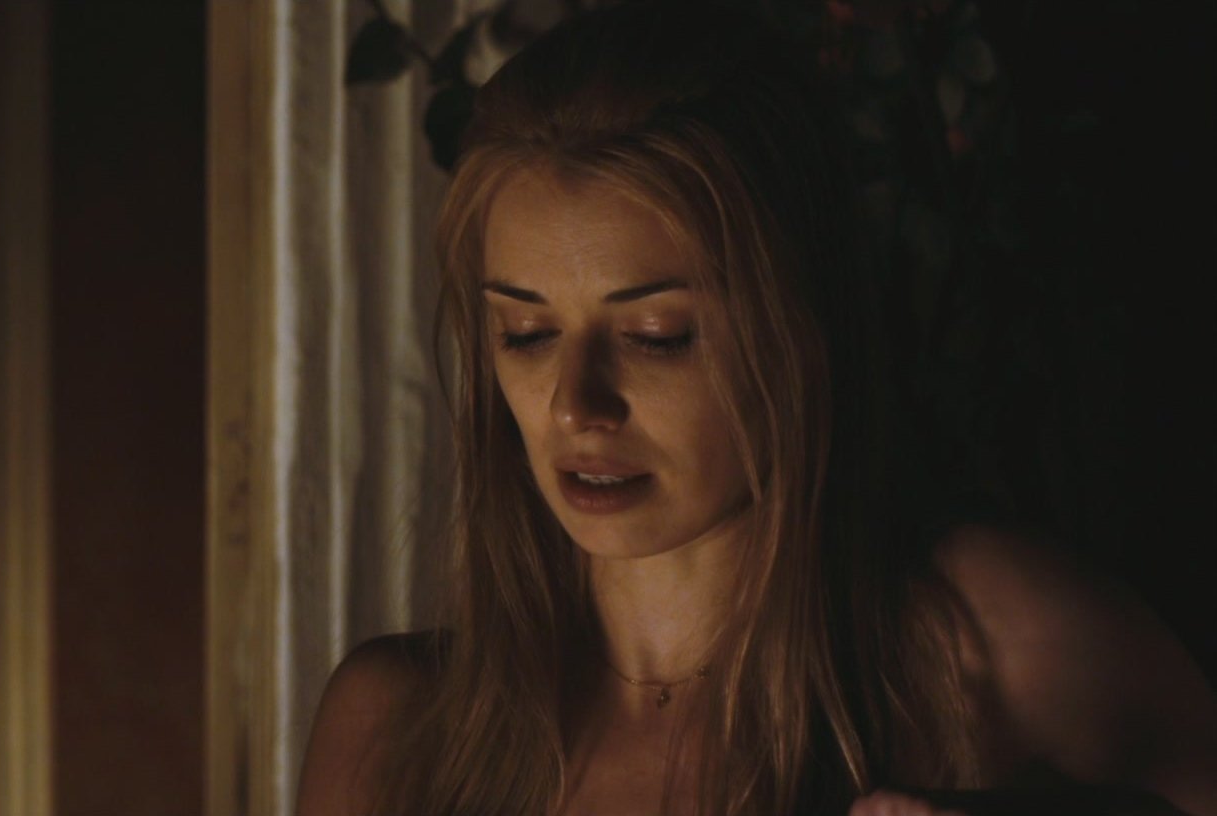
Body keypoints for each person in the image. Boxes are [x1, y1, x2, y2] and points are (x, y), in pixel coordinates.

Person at [294, 3, 1217, 815]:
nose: (576, 407)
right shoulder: (396, 730)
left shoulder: (992, 647)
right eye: (527, 334)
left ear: (798, 324)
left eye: (656, 335)